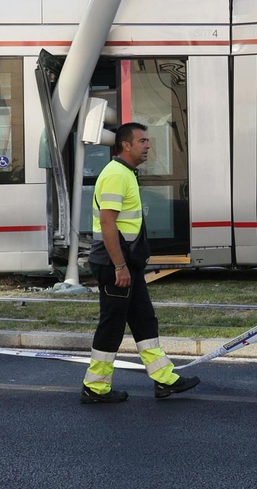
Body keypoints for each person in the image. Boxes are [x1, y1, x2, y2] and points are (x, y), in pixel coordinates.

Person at [80, 121, 201, 405]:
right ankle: (95, 387)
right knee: (112, 325)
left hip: (126, 264)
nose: (148, 146)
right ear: (126, 145)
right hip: (115, 265)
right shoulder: (115, 175)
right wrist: (120, 267)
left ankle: (164, 379)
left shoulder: (125, 173)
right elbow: (108, 223)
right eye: (143, 141)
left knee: (144, 319)